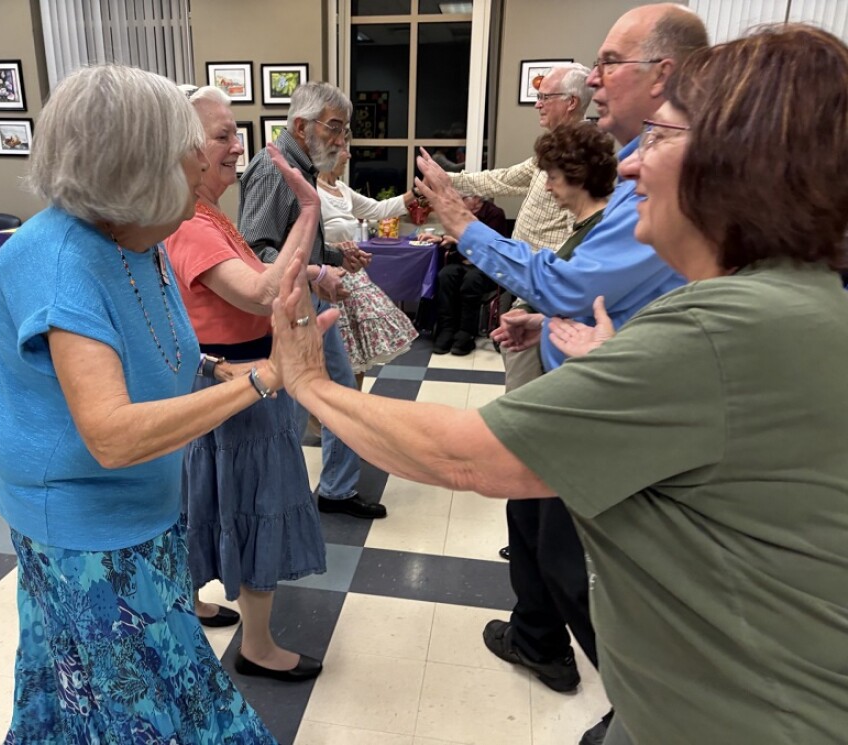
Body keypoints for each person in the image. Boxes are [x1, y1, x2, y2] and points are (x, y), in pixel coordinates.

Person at [267, 22, 848, 745]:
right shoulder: (796, 297)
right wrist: (620, 357)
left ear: (735, 165)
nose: (629, 172)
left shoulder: (725, 327)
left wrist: (311, 382)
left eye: (659, 141)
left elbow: (465, 457)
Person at [0, 65, 276, 743]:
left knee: (89, 695)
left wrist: (208, 365)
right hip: (87, 529)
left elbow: (141, 339)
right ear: (135, 168)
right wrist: (260, 381)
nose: (205, 161)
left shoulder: (133, 236)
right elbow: (111, 435)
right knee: (149, 711)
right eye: (189, 150)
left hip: (140, 515)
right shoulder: (61, 263)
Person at [468, 7, 710, 744]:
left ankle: (629, 696)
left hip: (604, 406)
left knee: (574, 558)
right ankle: (544, 641)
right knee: (541, 532)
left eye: (609, 62)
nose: (629, 168)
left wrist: (461, 225)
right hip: (581, 370)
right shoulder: (630, 173)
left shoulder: (755, 303)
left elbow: (574, 284)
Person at [164, 85, 325, 681]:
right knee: (257, 505)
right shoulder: (191, 224)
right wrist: (308, 211)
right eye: (223, 135)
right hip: (238, 389)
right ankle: (257, 646)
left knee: (209, 501)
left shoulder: (206, 215)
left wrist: (313, 270)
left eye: (236, 133)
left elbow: (256, 274)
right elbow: (260, 292)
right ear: (186, 149)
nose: (238, 147)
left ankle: (196, 599)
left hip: (233, 384)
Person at [239, 81, 386, 520]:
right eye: (335, 129)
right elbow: (256, 253)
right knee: (322, 396)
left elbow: (291, 245)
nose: (342, 141)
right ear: (301, 126)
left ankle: (330, 489)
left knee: (326, 394)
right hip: (290, 310)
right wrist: (319, 272)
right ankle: (308, 495)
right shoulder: (274, 170)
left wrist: (335, 256)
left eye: (345, 131)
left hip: (305, 305)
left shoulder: (297, 167)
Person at [448, 63, 592, 386]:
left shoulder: (581, 153)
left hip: (548, 286)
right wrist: (449, 180)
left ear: (571, 102)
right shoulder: (554, 148)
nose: (538, 103)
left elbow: (581, 232)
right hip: (531, 283)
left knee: (525, 383)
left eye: (545, 96)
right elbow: (503, 179)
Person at [491, 122, 617, 354]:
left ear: (578, 178)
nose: (547, 188)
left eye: (553, 178)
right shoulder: (587, 226)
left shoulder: (599, 232)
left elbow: (570, 296)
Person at [317, 146, 418, 385]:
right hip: (327, 277)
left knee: (359, 357)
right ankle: (329, 416)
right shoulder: (311, 189)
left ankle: (352, 410)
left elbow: (378, 209)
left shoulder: (342, 189)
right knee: (334, 358)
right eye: (343, 149)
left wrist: (418, 193)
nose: (349, 155)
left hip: (353, 276)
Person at [420, 195, 507, 355]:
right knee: (445, 275)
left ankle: (466, 334)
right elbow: (453, 238)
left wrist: (455, 240)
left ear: (475, 198)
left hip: (486, 267)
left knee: (471, 281)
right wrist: (440, 239)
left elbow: (490, 245)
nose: (457, 201)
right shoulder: (461, 212)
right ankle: (446, 330)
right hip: (463, 262)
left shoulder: (495, 214)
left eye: (462, 198)